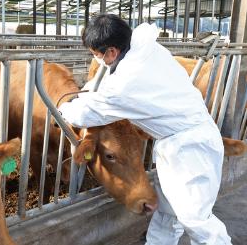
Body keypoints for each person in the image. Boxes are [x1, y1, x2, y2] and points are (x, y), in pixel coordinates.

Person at [58, 14, 232, 245]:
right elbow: (105, 90)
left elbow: (87, 113)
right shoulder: (146, 50)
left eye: (96, 55)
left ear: (111, 52)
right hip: (177, 142)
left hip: (191, 147)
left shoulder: (126, 83)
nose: (96, 60)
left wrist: (62, 107)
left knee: (195, 218)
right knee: (169, 210)